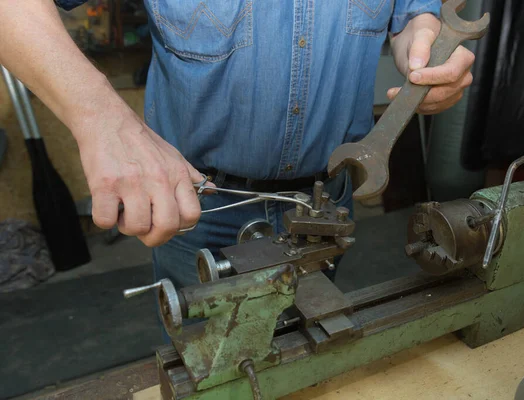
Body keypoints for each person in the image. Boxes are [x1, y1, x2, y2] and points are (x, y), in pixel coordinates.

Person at [0, 1, 476, 290]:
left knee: (309, 344)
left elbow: (413, 13)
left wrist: (422, 48)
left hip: (326, 204)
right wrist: (102, 117)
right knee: (205, 365)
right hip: (199, 206)